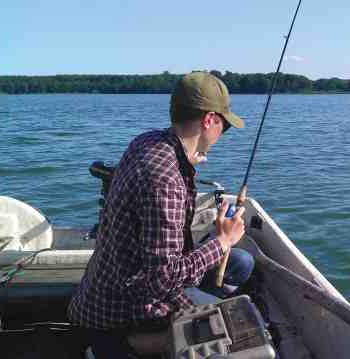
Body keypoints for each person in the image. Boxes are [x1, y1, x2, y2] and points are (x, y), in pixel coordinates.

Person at [68, 72, 254, 358]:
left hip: (107, 283)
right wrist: (222, 241)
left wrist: (187, 163)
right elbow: (161, 280)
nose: (222, 134)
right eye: (224, 125)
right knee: (234, 337)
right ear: (208, 120)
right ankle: (121, 346)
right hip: (120, 312)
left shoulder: (148, 142)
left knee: (240, 262)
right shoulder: (165, 181)